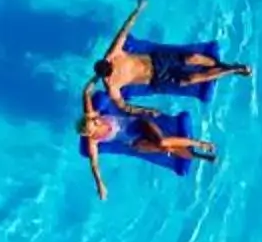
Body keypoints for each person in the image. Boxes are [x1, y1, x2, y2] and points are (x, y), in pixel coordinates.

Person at [94, 0, 253, 110]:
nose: (113, 68)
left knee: (192, 57)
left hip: (158, 60)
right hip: (156, 79)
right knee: (191, 79)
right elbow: (123, 106)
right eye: (110, 71)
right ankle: (233, 70)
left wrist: (139, 9)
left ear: (107, 61)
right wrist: (145, 111)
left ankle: (223, 64)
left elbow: (124, 29)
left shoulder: (113, 54)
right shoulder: (111, 85)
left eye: (110, 65)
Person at [80, 83, 217, 199]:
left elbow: (85, 93)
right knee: (165, 149)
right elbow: (94, 164)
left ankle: (200, 144)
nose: (97, 122)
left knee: (162, 142)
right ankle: (200, 156)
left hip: (141, 124)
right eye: (94, 126)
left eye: (94, 121)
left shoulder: (92, 115)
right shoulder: (93, 140)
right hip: (135, 141)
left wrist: (96, 77)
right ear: (90, 133)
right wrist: (100, 184)